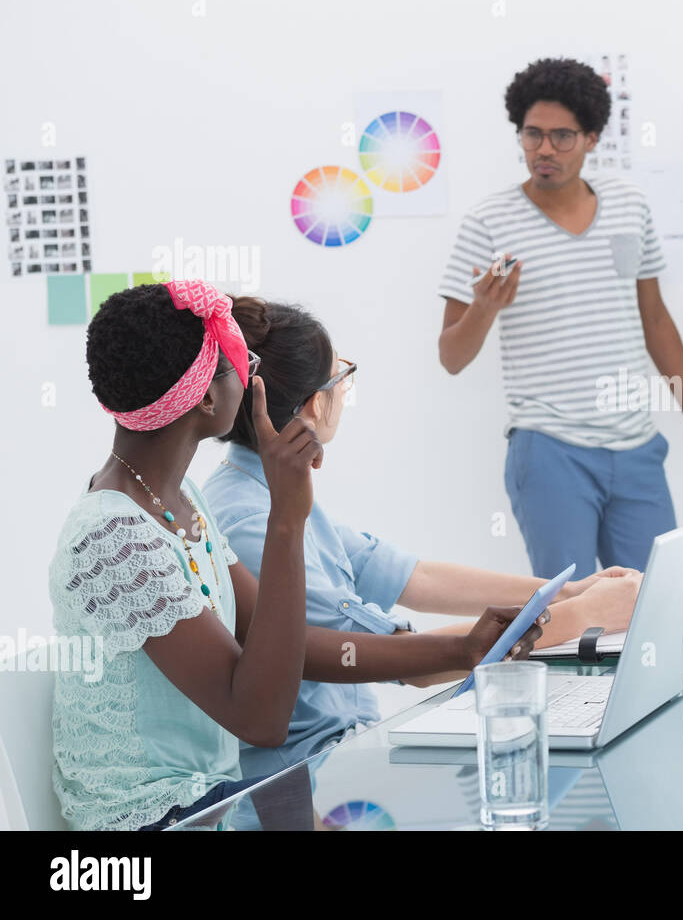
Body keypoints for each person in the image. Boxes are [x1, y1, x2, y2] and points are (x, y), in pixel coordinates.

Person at [50, 279, 541, 830]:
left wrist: (465, 649)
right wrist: (286, 520)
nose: (250, 372)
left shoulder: (175, 500)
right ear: (208, 398)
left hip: (217, 797)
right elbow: (262, 720)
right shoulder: (117, 540)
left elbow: (292, 646)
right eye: (238, 361)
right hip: (156, 823)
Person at [204, 297, 641, 781]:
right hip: (307, 776)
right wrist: (585, 616)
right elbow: (402, 661)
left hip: (343, 759)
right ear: (312, 403)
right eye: (341, 377)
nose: (346, 391)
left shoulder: (262, 488)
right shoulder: (250, 520)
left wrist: (570, 593)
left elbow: (417, 577)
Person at [437, 57, 683, 579]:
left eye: (562, 136)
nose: (544, 149)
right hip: (549, 449)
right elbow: (452, 357)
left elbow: (656, 321)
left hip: (636, 448)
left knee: (655, 601)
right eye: (532, 135)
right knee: (569, 616)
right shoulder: (488, 222)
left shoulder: (629, 204)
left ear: (592, 138)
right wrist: (486, 306)